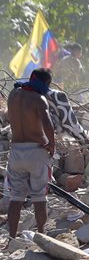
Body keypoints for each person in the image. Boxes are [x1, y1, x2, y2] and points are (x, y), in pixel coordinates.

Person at [6, 68, 55, 237]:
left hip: (16, 151)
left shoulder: (13, 95)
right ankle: (41, 235)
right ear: (44, 83)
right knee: (39, 197)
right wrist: (52, 145)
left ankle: (12, 237)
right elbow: (47, 124)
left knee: (16, 198)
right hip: (37, 151)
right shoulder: (39, 99)